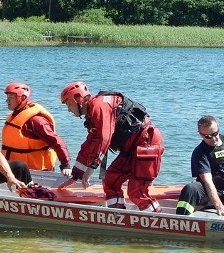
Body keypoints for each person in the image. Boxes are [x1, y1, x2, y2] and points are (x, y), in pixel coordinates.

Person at [57, 81, 165, 212]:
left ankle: (157, 221)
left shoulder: (99, 106)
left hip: (147, 145)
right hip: (131, 148)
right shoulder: (92, 115)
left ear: (78, 99)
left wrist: (91, 169)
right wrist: (76, 176)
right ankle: (119, 214)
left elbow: (104, 138)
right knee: (110, 181)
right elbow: (89, 147)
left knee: (137, 191)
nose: (69, 110)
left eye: (68, 104)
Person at [1, 82, 72, 175]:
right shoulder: (15, 116)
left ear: (23, 98)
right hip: (16, 169)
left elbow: (56, 141)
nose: (7, 101)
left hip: (37, 172)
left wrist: (65, 164)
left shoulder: (36, 121)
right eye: (7, 98)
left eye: (11, 98)